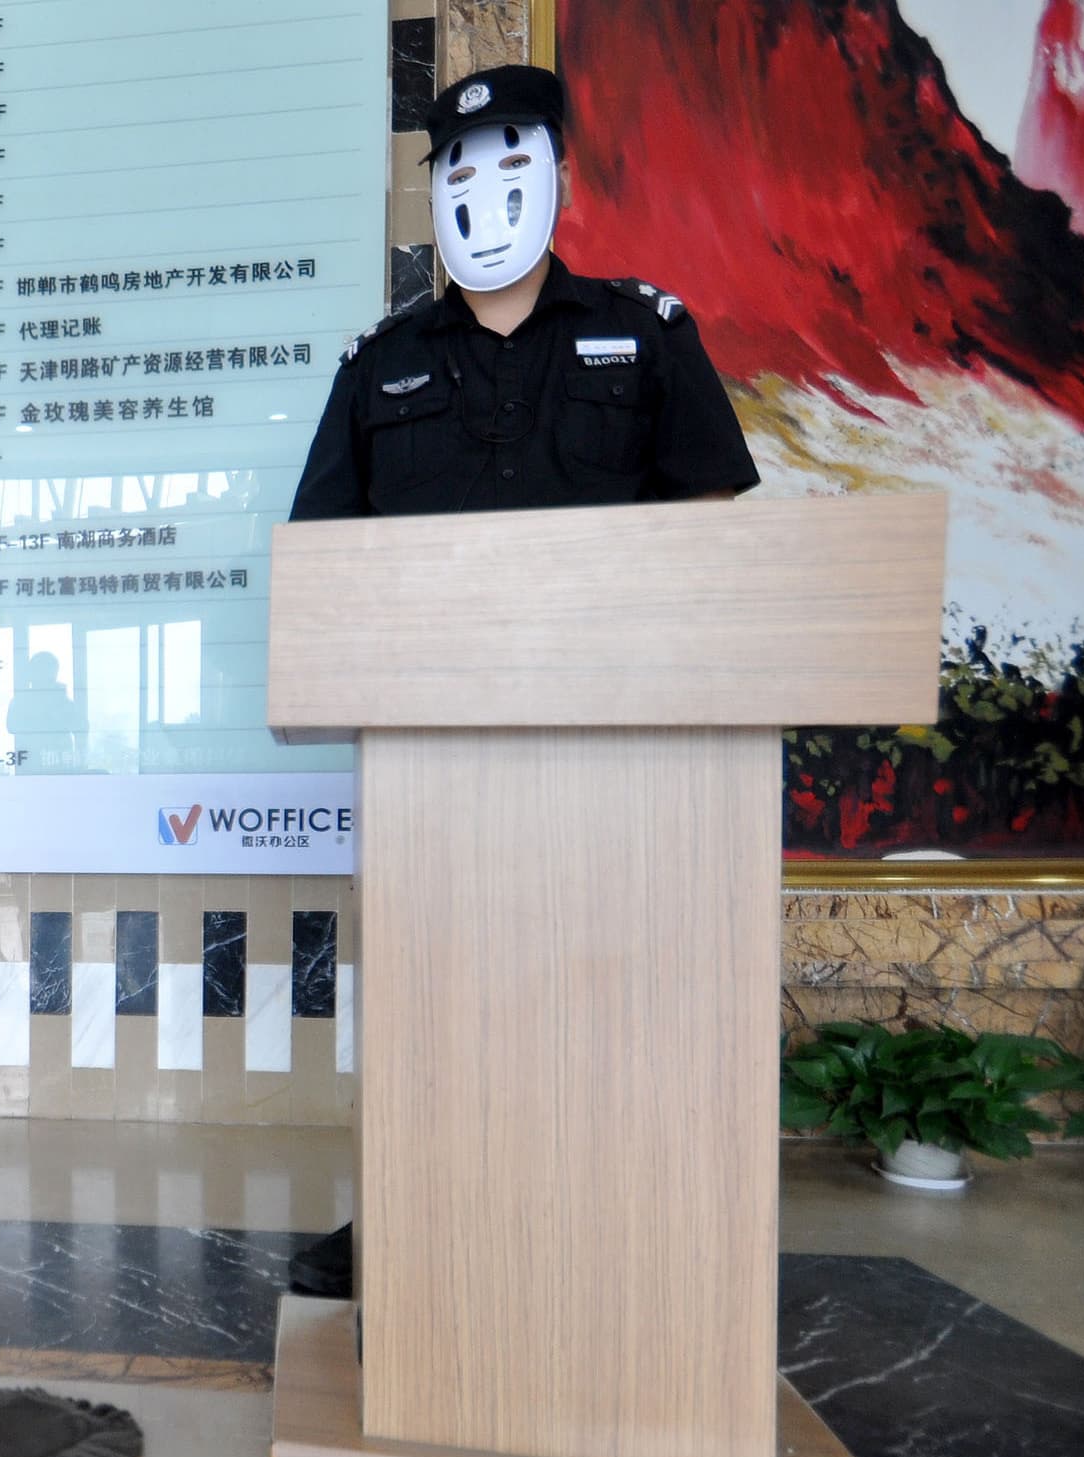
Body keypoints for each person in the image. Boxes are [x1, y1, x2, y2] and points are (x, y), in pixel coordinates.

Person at [285, 65, 761, 1299]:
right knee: (433, 1010)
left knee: (605, 997)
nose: (481, 186)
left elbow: (712, 523)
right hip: (431, 766)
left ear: (553, 171)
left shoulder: (644, 333)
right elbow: (323, 558)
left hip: (613, 753)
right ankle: (409, 1215)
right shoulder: (378, 364)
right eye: (457, 163)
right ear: (430, 184)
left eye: (510, 159)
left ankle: (616, 1221)